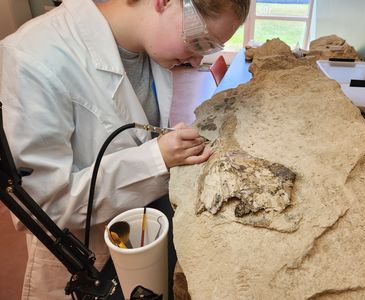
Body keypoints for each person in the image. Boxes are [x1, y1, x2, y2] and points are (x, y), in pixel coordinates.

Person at [0, 0, 250, 298]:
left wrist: (166, 144)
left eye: (208, 48)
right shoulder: (32, 56)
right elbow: (41, 206)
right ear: (165, 2)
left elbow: (129, 131)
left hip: (143, 230)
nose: (196, 62)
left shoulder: (144, 48)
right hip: (87, 260)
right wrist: (155, 159)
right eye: (197, 42)